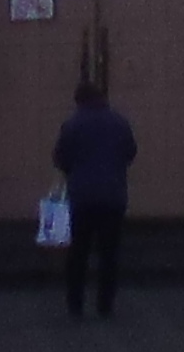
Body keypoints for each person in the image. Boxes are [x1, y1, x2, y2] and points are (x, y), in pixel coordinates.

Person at [51, 74, 138, 320]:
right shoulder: (119, 122)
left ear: (79, 101)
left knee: (79, 251)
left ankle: (75, 304)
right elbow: (130, 152)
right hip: (113, 196)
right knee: (109, 253)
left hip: (82, 197)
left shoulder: (72, 125)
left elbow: (60, 157)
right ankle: (105, 304)